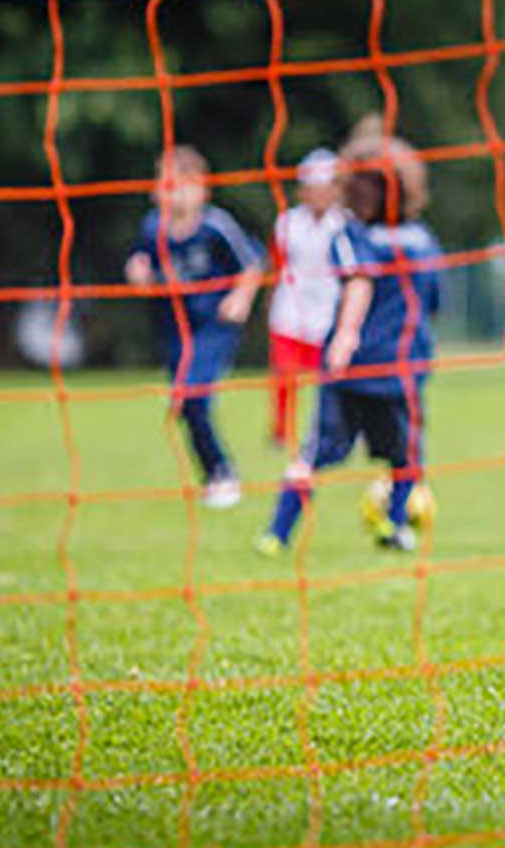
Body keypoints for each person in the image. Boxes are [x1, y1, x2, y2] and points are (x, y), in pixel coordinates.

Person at [257, 135, 441, 554]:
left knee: (314, 453)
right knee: (405, 455)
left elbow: (358, 281)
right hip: (400, 368)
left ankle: (277, 533)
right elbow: (429, 303)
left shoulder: (353, 236)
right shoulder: (424, 242)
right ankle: (396, 527)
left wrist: (345, 335)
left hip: (349, 366)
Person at [125, 146, 263, 509]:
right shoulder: (152, 227)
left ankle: (222, 473)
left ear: (203, 190)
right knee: (185, 405)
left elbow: (251, 267)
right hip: (173, 329)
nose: (176, 194)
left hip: (213, 326)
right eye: (168, 185)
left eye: (185, 185)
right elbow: (142, 263)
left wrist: (240, 299)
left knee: (193, 396)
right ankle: (215, 472)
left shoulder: (217, 226)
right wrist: (137, 273)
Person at [267, 148, 346, 449]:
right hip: (291, 307)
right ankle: (281, 431)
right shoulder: (288, 224)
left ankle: (331, 428)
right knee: (285, 373)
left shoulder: (344, 224)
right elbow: (276, 266)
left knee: (332, 377)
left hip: (328, 310)